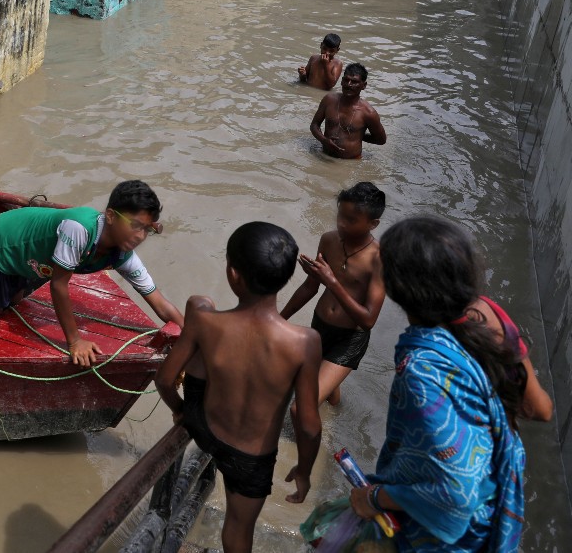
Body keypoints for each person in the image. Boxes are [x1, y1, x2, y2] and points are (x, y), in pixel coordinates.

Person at [348, 216, 528, 552]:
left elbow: (455, 494)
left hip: (449, 539)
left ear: (396, 288)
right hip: (485, 513)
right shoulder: (473, 334)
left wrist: (375, 497)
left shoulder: (422, 374)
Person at [156, 223, 322, 553]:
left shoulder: (204, 321)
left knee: (199, 303)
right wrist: (304, 470)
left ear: (233, 274)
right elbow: (308, 423)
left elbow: (163, 379)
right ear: (287, 276)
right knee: (237, 529)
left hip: (203, 426)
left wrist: (180, 411)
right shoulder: (305, 342)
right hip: (251, 458)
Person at [0, 180, 184, 366]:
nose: (140, 236)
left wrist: (193, 339)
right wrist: (75, 342)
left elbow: (159, 302)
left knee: (15, 301)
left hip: (29, 257)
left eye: (147, 229)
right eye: (135, 225)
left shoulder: (124, 255)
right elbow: (58, 285)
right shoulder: (78, 229)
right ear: (110, 215)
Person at [281, 182, 386, 407]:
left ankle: (315, 438)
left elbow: (368, 320)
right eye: (340, 215)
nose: (341, 223)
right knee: (327, 391)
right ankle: (334, 418)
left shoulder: (379, 259)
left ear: (373, 224)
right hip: (320, 326)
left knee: (301, 408)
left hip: (349, 339)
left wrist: (332, 281)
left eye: (351, 220)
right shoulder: (329, 240)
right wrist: (279, 320)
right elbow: (310, 287)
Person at [309, 62, 386, 159]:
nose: (348, 84)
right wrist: (324, 140)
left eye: (354, 82)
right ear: (341, 81)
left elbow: (381, 140)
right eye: (346, 80)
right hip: (323, 156)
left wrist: (359, 135)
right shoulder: (329, 100)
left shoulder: (368, 113)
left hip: (349, 164)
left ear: (364, 85)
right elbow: (314, 125)